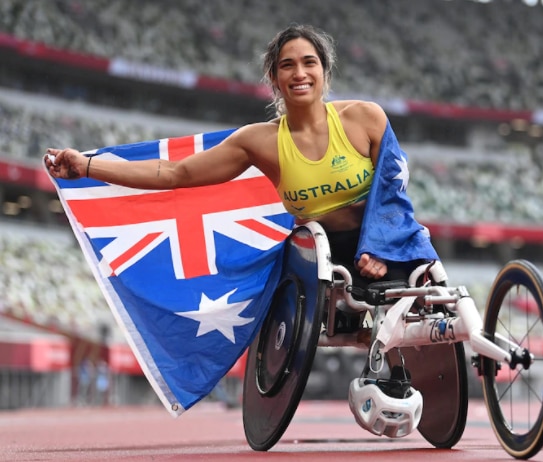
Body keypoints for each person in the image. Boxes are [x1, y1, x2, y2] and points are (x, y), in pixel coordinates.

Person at [45, 24, 432, 330]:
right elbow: (175, 173)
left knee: (428, 291)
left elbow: (393, 189)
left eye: (310, 62)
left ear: (324, 72)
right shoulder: (258, 142)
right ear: (274, 78)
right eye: (287, 65)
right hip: (325, 255)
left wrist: (380, 248)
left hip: (387, 239)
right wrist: (87, 165)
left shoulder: (365, 118)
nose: (300, 73)